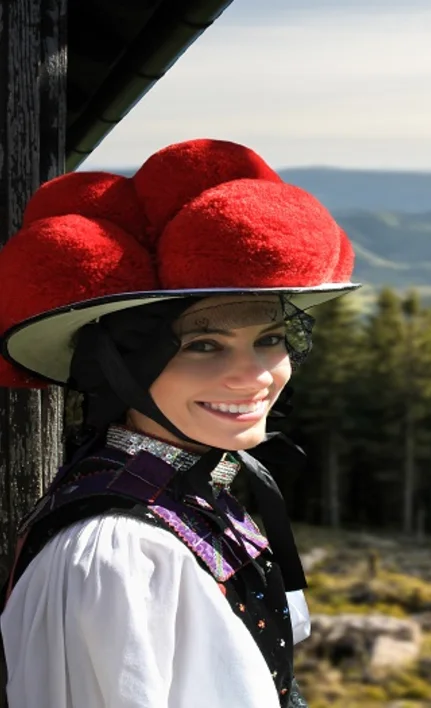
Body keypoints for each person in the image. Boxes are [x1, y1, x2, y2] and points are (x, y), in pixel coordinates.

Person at [0, 138, 359, 707]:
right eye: (204, 345)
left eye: (270, 339)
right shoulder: (119, 556)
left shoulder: (181, 495)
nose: (254, 376)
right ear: (118, 368)